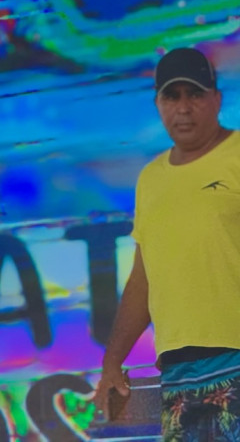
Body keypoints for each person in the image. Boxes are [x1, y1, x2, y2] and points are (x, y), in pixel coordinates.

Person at [93, 47, 240, 440]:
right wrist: (112, 362)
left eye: (195, 95)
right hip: (177, 372)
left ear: (217, 99)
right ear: (158, 104)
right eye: (172, 96)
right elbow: (144, 279)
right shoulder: (151, 179)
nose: (183, 108)